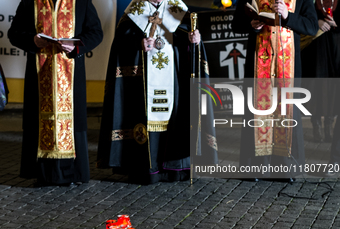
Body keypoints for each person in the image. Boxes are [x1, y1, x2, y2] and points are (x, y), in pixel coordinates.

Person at [97, 0, 218, 184]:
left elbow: (187, 39)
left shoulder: (177, 9)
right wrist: (138, 43)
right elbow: (121, 44)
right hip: (142, 83)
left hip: (174, 79)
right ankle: (147, 168)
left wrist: (194, 41)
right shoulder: (133, 13)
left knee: (175, 118)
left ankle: (175, 168)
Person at [8, 0, 103, 186]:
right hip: (39, 75)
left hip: (71, 74)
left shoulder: (81, 1)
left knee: (73, 122)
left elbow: (96, 33)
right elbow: (14, 34)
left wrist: (76, 47)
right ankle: (41, 173)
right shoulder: (30, 1)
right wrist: (33, 40)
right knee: (39, 120)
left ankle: (74, 173)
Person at [232, 0, 318, 180]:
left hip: (287, 67)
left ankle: (285, 168)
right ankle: (254, 167)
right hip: (259, 65)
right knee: (257, 112)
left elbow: (311, 26)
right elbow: (236, 24)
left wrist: (288, 16)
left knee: (285, 113)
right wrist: (252, 25)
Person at [301, 0, 339, 143]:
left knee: (333, 86)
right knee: (315, 85)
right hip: (315, 48)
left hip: (335, 47)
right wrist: (316, 22)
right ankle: (316, 124)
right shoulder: (310, 1)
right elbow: (301, 16)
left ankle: (329, 125)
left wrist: (336, 23)